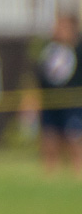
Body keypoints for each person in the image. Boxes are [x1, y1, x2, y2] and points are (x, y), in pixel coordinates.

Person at [32, 11, 82, 175]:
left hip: (73, 103)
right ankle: (50, 175)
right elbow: (40, 76)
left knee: (74, 140)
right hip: (51, 102)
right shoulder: (49, 50)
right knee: (50, 139)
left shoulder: (78, 50)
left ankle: (77, 173)